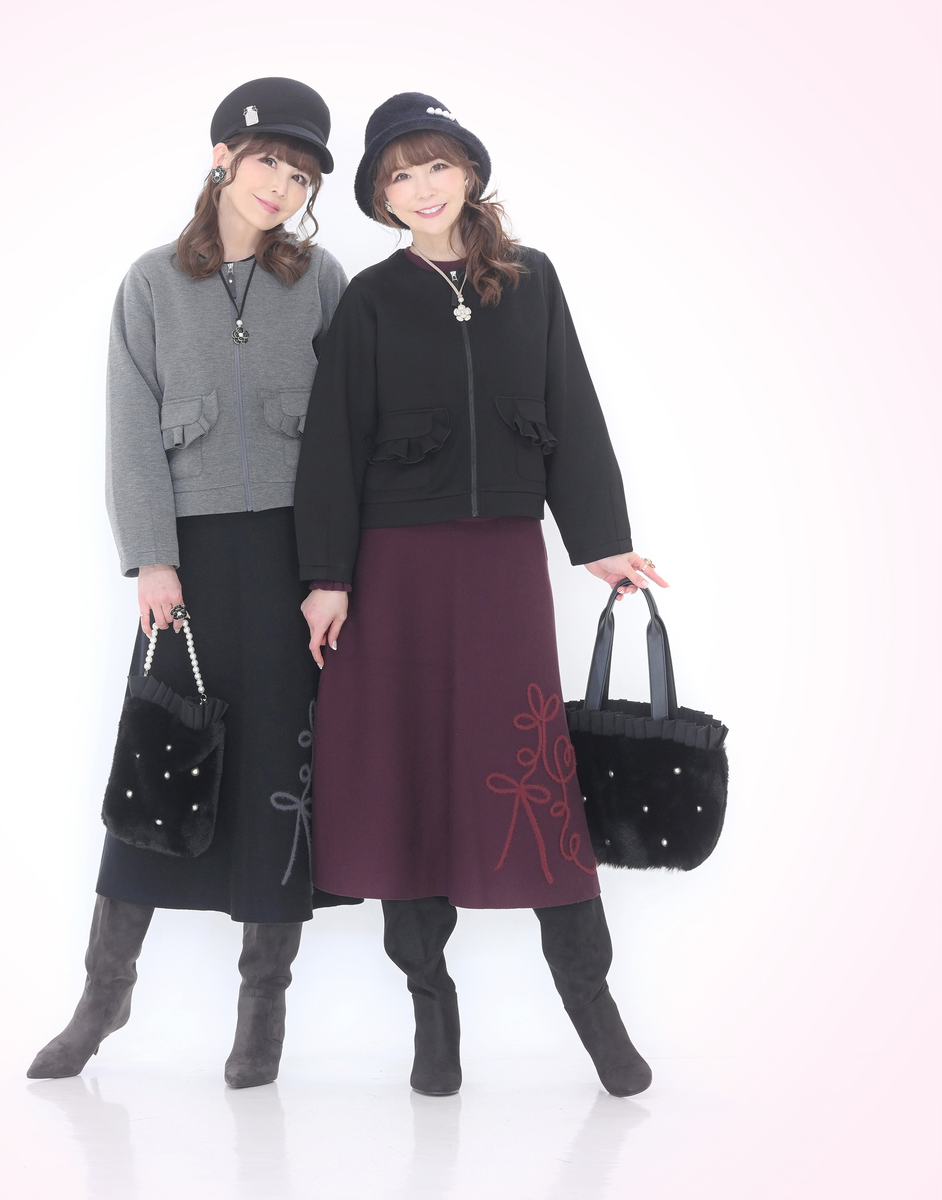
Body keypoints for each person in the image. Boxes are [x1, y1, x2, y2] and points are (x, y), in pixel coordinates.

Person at [294, 92, 667, 1098]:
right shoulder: (371, 300)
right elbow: (331, 447)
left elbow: (571, 406)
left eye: (436, 166)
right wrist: (326, 579)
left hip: (503, 567)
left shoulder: (531, 281)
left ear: (469, 173)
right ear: (381, 197)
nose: (421, 188)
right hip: (393, 574)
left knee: (532, 779)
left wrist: (602, 542)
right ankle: (431, 1010)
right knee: (408, 775)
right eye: (399, 175)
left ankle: (595, 1011)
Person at [29, 77, 359, 1087]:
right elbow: (130, 427)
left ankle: (263, 1011)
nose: (281, 185)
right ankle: (104, 994)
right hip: (191, 566)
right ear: (224, 158)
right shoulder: (151, 282)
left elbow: (347, 432)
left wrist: (331, 571)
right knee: (160, 763)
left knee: (281, 778)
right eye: (268, 162)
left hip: (295, 564)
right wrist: (153, 558)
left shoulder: (322, 280)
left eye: (300, 175)